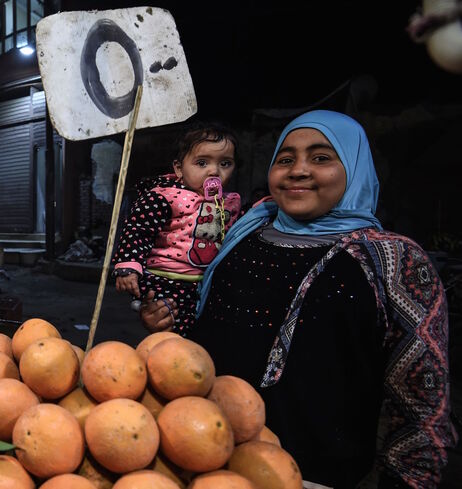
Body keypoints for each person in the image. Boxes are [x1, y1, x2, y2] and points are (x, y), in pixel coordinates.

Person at [141, 110, 456, 487]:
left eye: (321, 158)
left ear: (354, 167)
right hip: (200, 456)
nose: (298, 170)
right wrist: (169, 317)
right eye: (285, 159)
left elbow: (422, 402)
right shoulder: (243, 233)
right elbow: (211, 323)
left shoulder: (392, 260)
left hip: (313, 474)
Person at [112, 122, 241, 334]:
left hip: (203, 283)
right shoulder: (165, 197)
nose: (214, 171)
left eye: (225, 163)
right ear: (179, 168)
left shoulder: (230, 203)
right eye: (201, 163)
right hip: (164, 280)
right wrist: (128, 265)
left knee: (204, 331)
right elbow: (138, 229)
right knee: (173, 335)